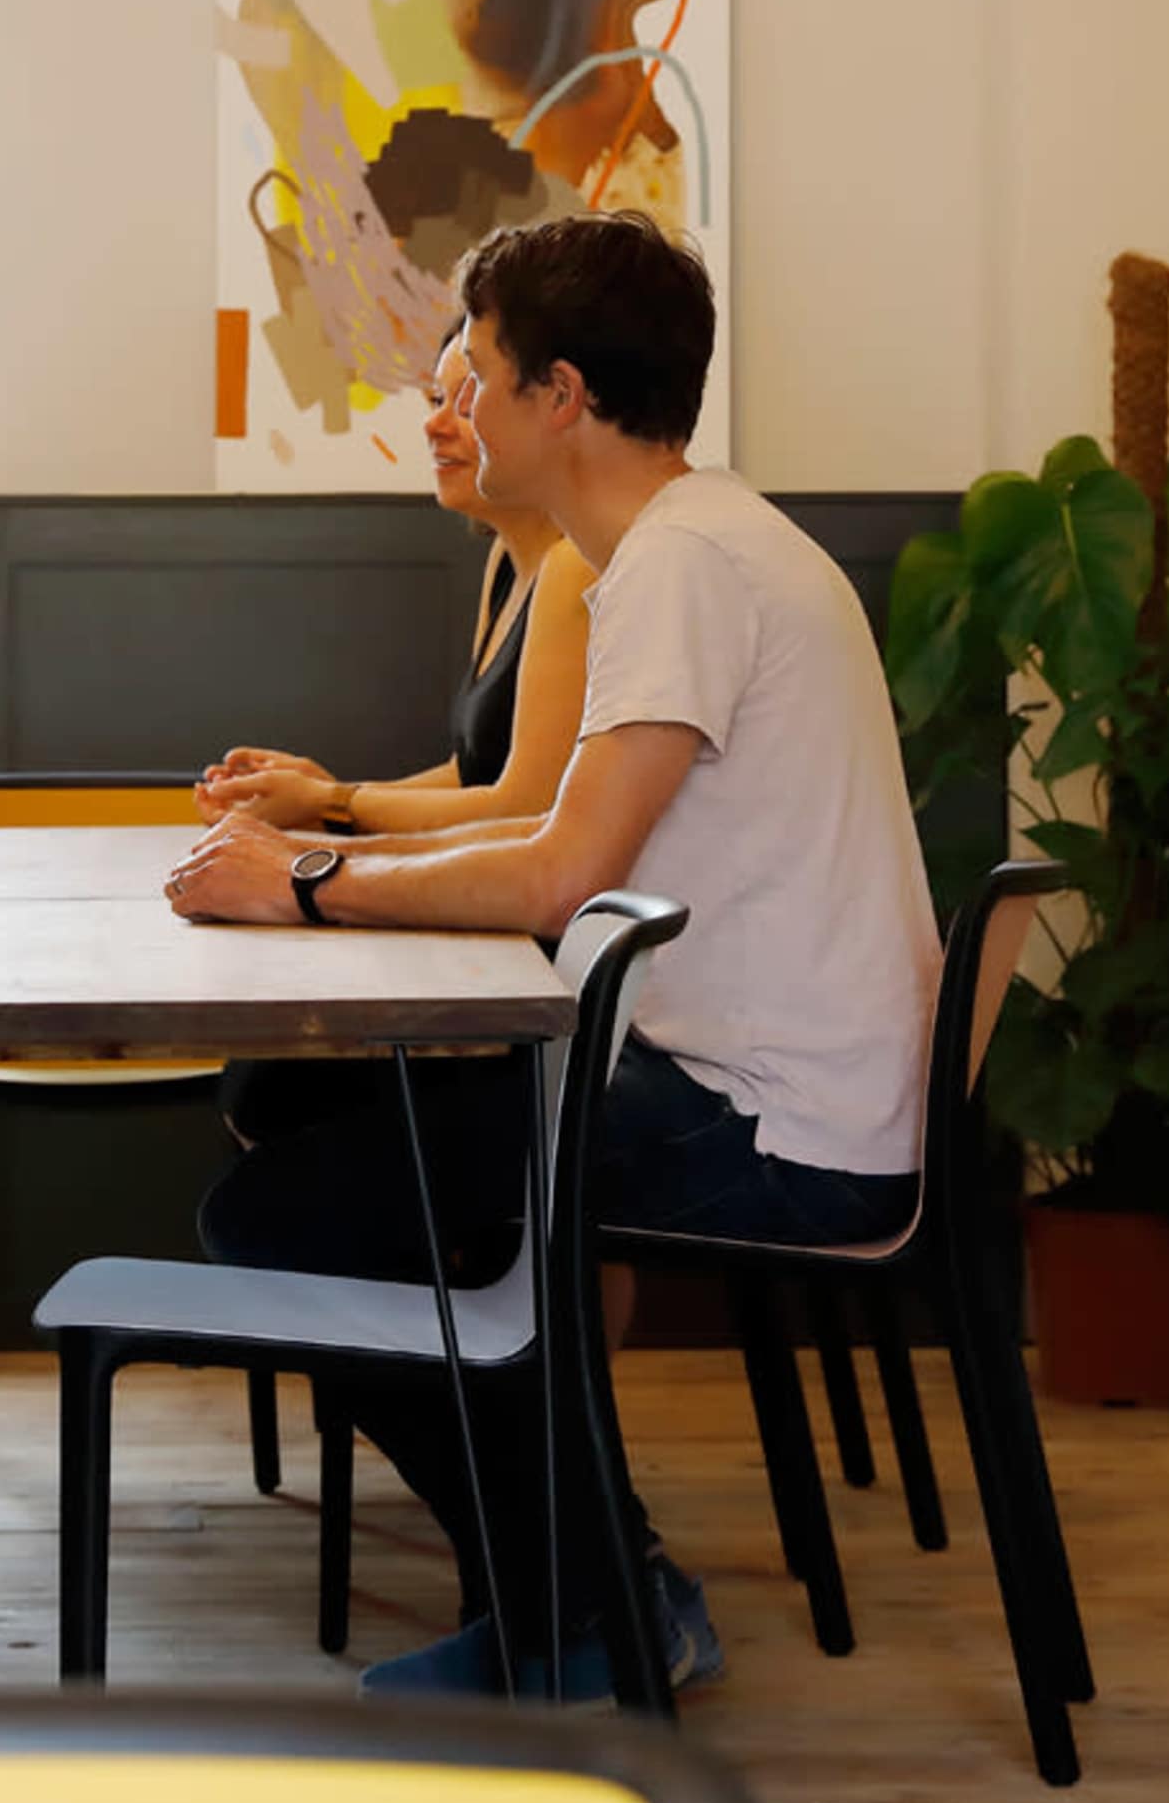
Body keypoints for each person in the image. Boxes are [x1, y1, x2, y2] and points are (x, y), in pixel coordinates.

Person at [167, 212, 940, 1700]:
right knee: (324, 1184)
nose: (456, 403)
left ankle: (598, 1609)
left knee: (284, 1223)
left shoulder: (678, 567)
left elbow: (561, 870)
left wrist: (309, 882)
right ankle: (595, 1593)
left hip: (773, 1123)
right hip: (766, 1088)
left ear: (563, 395)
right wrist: (324, 867)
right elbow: (557, 841)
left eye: (481, 376)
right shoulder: (703, 542)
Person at [196, 321, 594, 1147]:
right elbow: (469, 770)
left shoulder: (571, 570)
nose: (437, 422)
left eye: (464, 397)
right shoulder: (509, 561)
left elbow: (523, 802)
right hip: (487, 933)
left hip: (538, 968)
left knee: (275, 1094)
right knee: (262, 1084)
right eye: (436, 399)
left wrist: (336, 806)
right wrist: (323, 801)